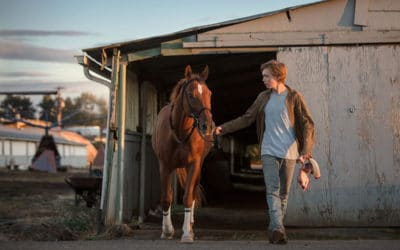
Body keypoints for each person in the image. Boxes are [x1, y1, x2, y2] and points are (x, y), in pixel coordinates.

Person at [215, 59, 315, 244]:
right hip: (268, 150)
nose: (263, 80)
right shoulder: (263, 97)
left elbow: (307, 124)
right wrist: (224, 128)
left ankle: (275, 227)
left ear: (277, 76)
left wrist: (306, 151)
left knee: (283, 193)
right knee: (272, 190)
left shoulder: (294, 97)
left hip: (290, 152)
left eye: (266, 76)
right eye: (263, 76)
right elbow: (247, 118)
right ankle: (278, 228)